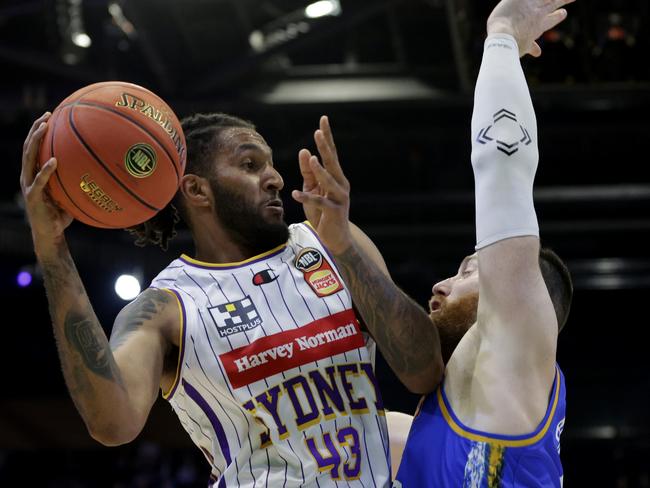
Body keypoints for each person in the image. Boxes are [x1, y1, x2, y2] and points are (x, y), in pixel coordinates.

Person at [20, 109, 444, 486]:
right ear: (198, 190)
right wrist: (52, 247)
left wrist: (344, 247)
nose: (275, 178)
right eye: (249, 164)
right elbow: (113, 425)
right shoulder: (165, 308)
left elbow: (424, 372)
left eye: (270, 164)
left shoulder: (332, 244)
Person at [392, 0, 575, 486]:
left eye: (470, 270)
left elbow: (504, 170)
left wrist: (501, 37)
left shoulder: (519, 332)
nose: (440, 284)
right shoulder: (433, 428)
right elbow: (334, 433)